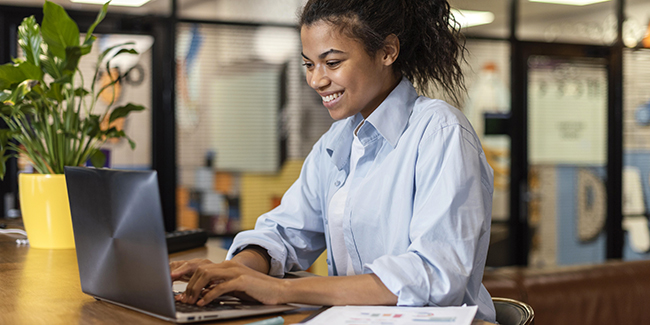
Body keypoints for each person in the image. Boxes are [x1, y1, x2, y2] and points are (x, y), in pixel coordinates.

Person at [170, 0, 496, 321]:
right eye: (309, 64)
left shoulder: (440, 132)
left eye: (333, 62)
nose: (316, 80)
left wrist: (280, 291)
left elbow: (433, 278)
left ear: (387, 52)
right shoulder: (337, 140)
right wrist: (235, 272)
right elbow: (285, 232)